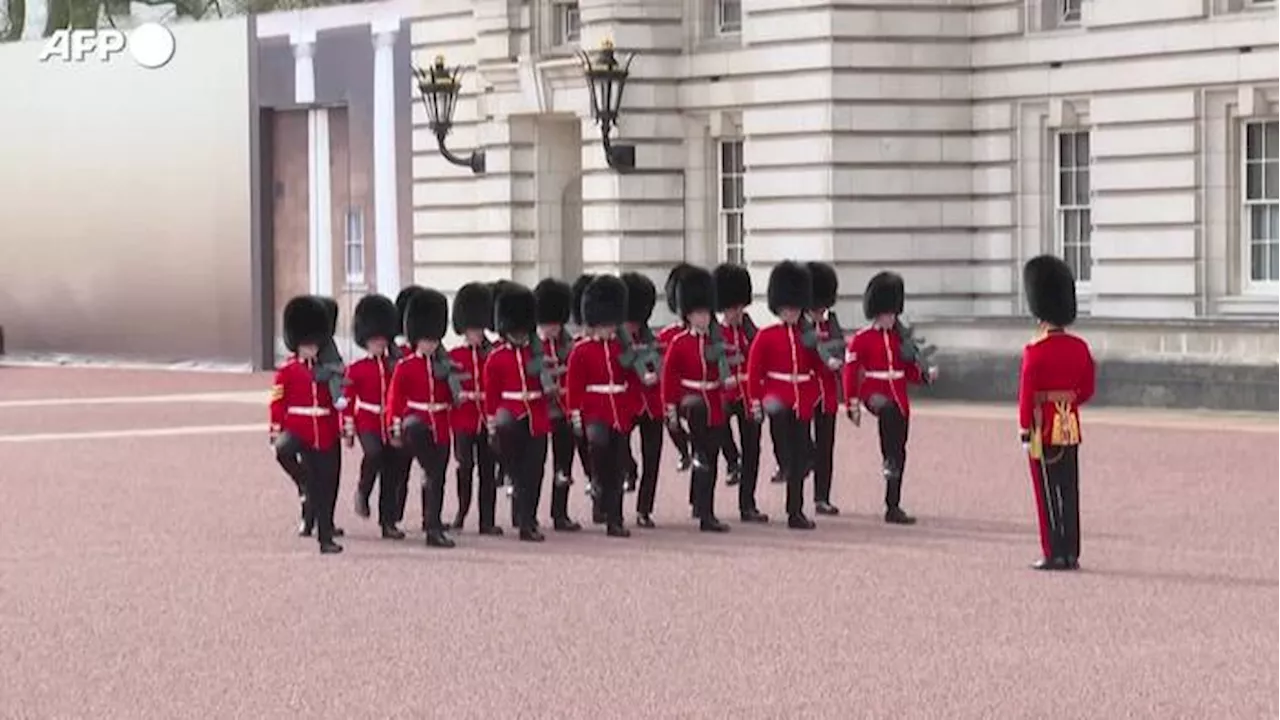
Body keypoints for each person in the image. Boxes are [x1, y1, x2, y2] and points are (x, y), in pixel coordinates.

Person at [1018, 255, 1095, 571]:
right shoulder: (1079, 347)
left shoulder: (1035, 350)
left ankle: (1053, 551)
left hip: (1042, 426)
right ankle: (1071, 551)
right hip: (1070, 423)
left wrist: (1025, 430)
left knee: (1046, 489)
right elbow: (1087, 389)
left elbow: (1026, 395)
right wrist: (1068, 404)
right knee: (1069, 487)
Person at [842, 271, 937, 525]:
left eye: (893, 314)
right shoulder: (862, 339)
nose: (890, 318)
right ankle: (888, 458)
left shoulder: (900, 338)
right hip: (873, 392)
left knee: (901, 447)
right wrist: (851, 402)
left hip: (897, 393)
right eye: (886, 314)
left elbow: (909, 371)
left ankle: (892, 504)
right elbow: (850, 372)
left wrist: (925, 375)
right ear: (877, 313)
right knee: (888, 414)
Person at [746, 261, 823, 530]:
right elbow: (754, 372)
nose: (791, 312)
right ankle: (785, 469)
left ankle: (795, 511)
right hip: (777, 397)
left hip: (801, 400)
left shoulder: (807, 336)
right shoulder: (767, 336)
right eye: (787, 308)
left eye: (795, 307)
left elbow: (818, 369)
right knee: (788, 452)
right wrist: (755, 402)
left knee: (801, 457)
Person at [270, 296, 344, 554]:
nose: (311, 350)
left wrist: (342, 426)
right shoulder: (287, 371)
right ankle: (302, 482)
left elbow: (337, 402)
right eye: (306, 346)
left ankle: (326, 537)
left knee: (324, 485)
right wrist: (276, 430)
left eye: (314, 346)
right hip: (298, 428)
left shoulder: (329, 371)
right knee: (283, 452)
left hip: (323, 431)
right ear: (297, 345)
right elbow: (278, 403)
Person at [564, 275, 637, 538]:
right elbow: (574, 385)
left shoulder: (621, 348)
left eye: (611, 324)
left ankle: (614, 519)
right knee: (598, 444)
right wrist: (574, 413)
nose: (609, 329)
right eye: (604, 325)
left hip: (619, 408)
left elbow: (630, 378)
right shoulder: (581, 351)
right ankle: (596, 481)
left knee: (617, 466)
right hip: (595, 409)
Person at [661, 266, 731, 532]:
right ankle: (705, 513)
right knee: (703, 455)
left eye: (706, 313)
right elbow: (669, 379)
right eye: (698, 313)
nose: (703, 318)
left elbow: (722, 371)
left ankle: (705, 509)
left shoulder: (716, 341)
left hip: (713, 402)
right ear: (688, 315)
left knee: (711, 458)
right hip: (692, 404)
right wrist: (671, 410)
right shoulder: (679, 343)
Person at [387, 289, 456, 548]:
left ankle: (432, 524)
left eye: (434, 339)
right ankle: (433, 528)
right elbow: (395, 400)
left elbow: (450, 399)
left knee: (437, 476)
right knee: (432, 473)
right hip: (417, 425)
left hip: (440, 425)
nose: (431, 344)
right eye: (426, 339)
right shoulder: (406, 366)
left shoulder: (444, 366)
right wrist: (395, 429)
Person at [484, 284, 552, 542]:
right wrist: (492, 424)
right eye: (516, 331)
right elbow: (492, 396)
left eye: (523, 331)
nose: (520, 335)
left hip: (536, 415)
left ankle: (528, 520)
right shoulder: (497, 357)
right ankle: (524, 518)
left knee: (535, 471)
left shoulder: (538, 352)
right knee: (519, 471)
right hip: (510, 415)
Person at [343, 293, 407, 540]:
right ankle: (363, 489)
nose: (379, 342)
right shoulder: (357, 369)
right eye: (374, 339)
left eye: (382, 338)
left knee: (392, 469)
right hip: (367, 419)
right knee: (374, 453)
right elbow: (345, 400)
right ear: (365, 340)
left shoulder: (396, 365)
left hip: (391, 421)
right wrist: (347, 429)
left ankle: (388, 522)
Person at [714, 262, 767, 523]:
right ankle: (731, 459)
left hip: (747, 394)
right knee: (719, 426)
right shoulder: (715, 332)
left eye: (739, 307)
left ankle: (748, 504)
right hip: (725, 393)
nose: (736, 312)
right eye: (732, 308)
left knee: (753, 449)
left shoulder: (750, 330)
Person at [533, 277, 583, 532]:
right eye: (547, 323)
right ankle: (527, 514)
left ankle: (559, 513)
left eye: (555, 324)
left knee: (563, 465)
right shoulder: (532, 346)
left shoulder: (569, 345)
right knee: (535, 465)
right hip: (540, 411)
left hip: (563, 410)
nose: (551, 329)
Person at [448, 282, 497, 532]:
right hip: (463, 420)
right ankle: (461, 512)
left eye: (479, 328)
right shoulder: (454, 355)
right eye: (472, 328)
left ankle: (487, 521)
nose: (476, 333)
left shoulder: (492, 354)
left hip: (486, 420)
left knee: (488, 471)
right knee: (464, 467)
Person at [619, 272, 664, 526]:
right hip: (626, 403)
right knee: (620, 451)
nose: (633, 326)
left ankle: (644, 509)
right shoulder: (615, 340)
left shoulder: (651, 338)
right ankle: (629, 469)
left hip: (651, 404)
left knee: (653, 457)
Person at [805, 262, 846, 516]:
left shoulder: (832, 323)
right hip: (806, 391)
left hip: (827, 392)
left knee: (826, 446)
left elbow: (839, 347)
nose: (821, 311)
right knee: (801, 441)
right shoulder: (801, 326)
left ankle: (822, 497)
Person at [658, 263, 696, 474]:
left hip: (700, 391)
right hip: (677, 392)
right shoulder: (668, 335)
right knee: (669, 419)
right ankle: (684, 451)